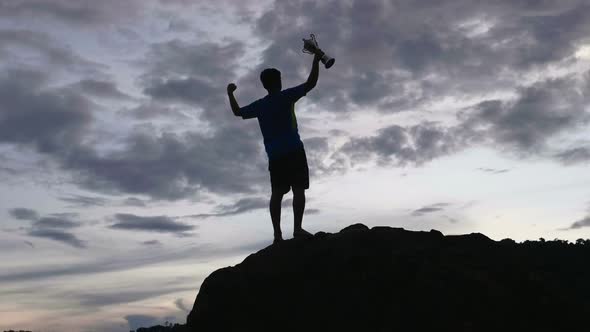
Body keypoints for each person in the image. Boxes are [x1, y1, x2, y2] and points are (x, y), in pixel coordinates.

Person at [226, 49, 325, 244]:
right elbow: (311, 83)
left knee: (277, 193)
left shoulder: (260, 105)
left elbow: (237, 112)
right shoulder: (286, 96)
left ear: (264, 85)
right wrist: (316, 58)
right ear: (278, 82)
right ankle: (297, 229)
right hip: (294, 150)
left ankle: (277, 236)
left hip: (275, 154)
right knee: (298, 189)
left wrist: (230, 93)